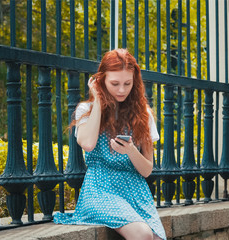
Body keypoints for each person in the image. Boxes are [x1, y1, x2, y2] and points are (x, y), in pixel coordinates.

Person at [54, 49, 166, 240]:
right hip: (100, 189)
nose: (122, 90)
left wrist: (130, 150)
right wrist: (98, 100)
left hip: (135, 190)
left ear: (134, 82)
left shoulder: (143, 114)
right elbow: (87, 144)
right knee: (143, 234)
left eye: (127, 83)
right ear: (102, 80)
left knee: (154, 237)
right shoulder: (86, 109)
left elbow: (147, 170)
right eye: (115, 83)